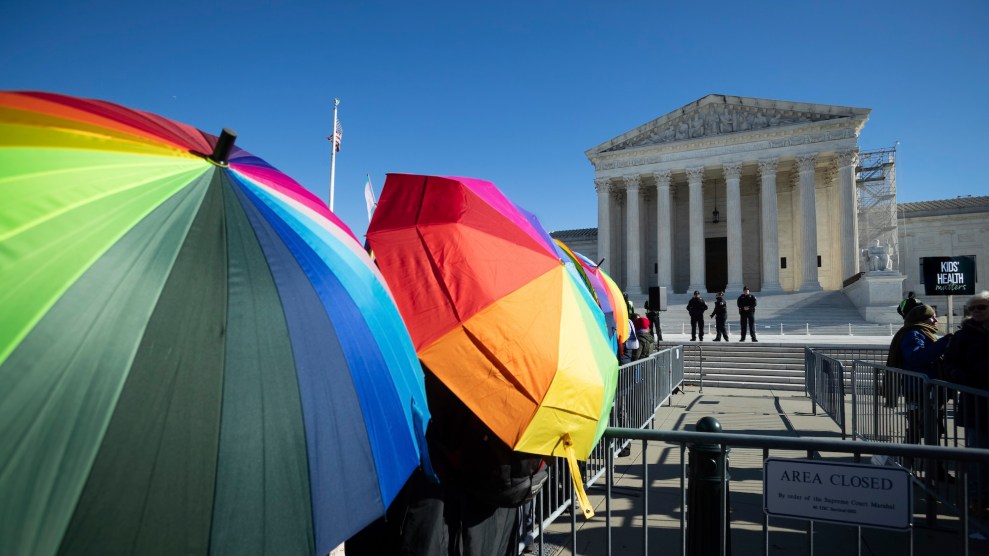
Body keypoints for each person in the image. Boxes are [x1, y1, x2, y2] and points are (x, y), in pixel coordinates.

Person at [943, 291, 989, 517]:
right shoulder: (963, 335)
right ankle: (977, 503)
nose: (977, 312)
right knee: (977, 457)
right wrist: (961, 377)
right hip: (976, 402)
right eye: (973, 309)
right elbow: (950, 363)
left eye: (982, 307)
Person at [886, 304, 953, 452]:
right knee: (923, 427)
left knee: (927, 427)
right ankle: (923, 463)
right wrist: (943, 343)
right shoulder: (913, 334)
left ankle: (915, 460)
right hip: (919, 390)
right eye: (932, 316)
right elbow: (916, 357)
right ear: (921, 319)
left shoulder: (923, 332)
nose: (936, 320)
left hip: (925, 388)